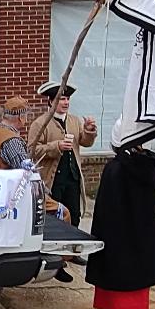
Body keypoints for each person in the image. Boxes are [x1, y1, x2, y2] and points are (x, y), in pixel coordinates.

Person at [84, 120, 155, 309]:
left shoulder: (121, 167)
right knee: (118, 273)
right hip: (134, 232)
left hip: (120, 232)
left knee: (122, 274)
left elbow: (111, 204)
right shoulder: (144, 165)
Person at [0, 96, 74, 282]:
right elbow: (25, 173)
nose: (26, 119)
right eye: (25, 115)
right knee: (63, 212)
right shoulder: (11, 140)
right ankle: (61, 262)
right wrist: (43, 189)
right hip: (11, 192)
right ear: (20, 117)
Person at [27, 81, 97, 228]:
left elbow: (85, 141)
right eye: (62, 99)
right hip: (53, 181)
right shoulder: (40, 123)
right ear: (51, 101)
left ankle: (72, 248)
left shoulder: (74, 120)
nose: (66, 102)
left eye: (67, 99)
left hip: (73, 179)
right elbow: (32, 151)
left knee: (74, 217)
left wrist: (89, 131)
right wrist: (56, 146)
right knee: (55, 219)